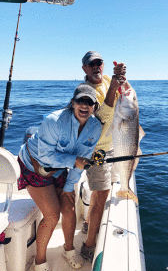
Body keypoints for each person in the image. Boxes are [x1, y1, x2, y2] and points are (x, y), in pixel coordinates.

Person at [17, 83, 102, 271]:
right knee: (52, 214)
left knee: (69, 208)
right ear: (73, 103)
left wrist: (68, 188)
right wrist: (75, 161)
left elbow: (83, 161)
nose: (85, 106)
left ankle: (69, 249)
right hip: (34, 165)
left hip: (60, 169)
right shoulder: (54, 121)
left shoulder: (95, 127)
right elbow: (47, 157)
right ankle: (40, 261)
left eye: (90, 102)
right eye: (81, 100)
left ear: (95, 107)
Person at [80, 51, 131, 262]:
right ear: (84, 69)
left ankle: (89, 223)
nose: (96, 67)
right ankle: (89, 244)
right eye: (91, 64)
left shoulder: (109, 79)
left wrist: (122, 79)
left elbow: (126, 93)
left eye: (99, 63)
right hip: (97, 149)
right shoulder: (84, 92)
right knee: (102, 195)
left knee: (101, 193)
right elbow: (102, 119)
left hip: (115, 144)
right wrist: (113, 87)